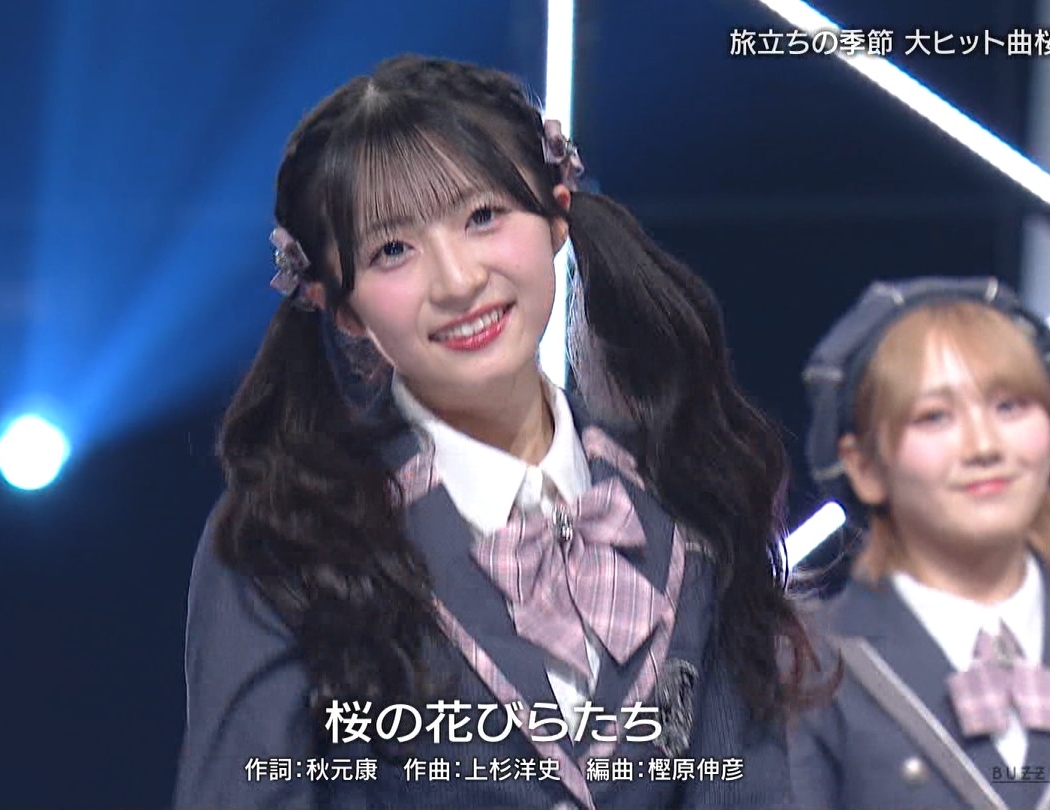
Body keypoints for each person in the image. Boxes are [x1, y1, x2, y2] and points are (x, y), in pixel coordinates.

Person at [171, 54, 828, 810]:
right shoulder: (284, 536)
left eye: (482, 216)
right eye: (392, 250)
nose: (458, 281)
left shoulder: (683, 495)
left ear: (556, 215)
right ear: (340, 304)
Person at [790, 276, 1050, 809]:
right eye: (935, 416)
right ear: (864, 466)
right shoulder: (806, 667)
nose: (984, 446)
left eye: (1010, 407)